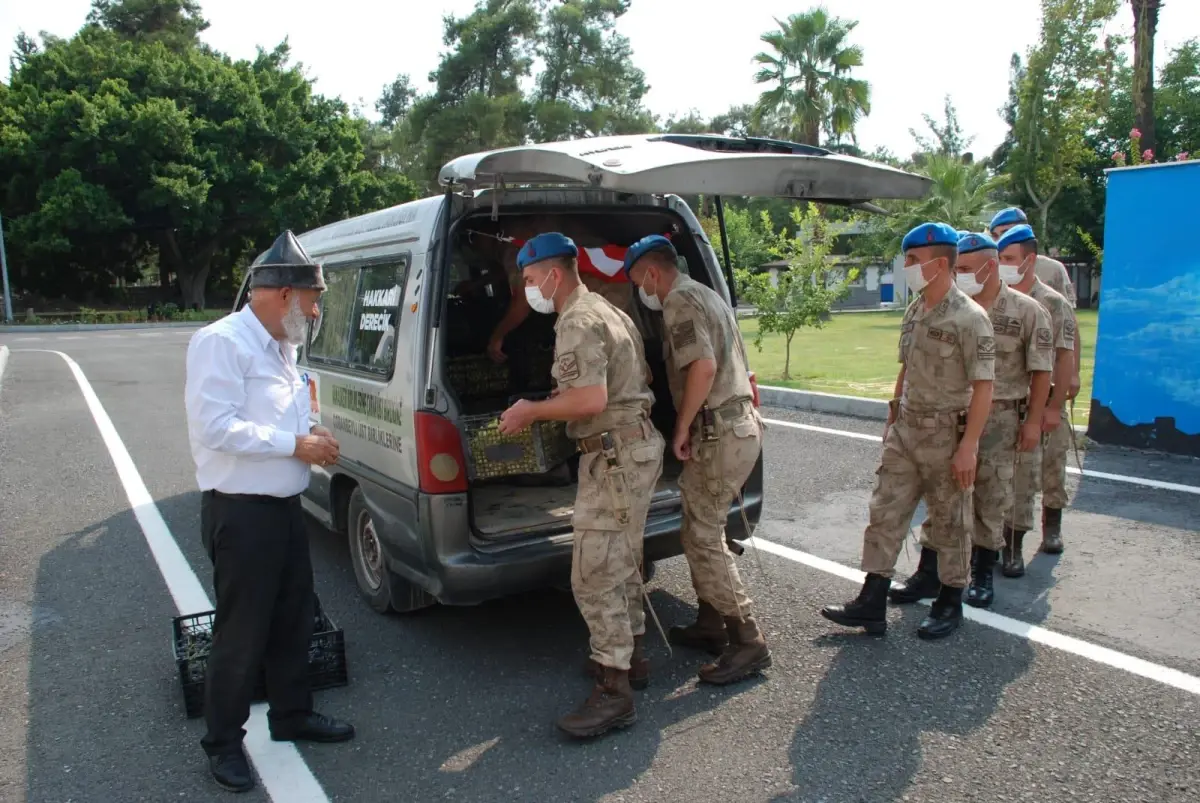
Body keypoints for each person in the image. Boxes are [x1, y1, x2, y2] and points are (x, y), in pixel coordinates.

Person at [184, 231, 355, 793]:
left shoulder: (283, 345)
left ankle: (291, 714)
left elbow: (288, 417)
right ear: (282, 293)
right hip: (241, 514)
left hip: (282, 508)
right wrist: (292, 445)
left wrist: (312, 435)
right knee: (242, 632)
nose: (316, 309)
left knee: (293, 617)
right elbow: (216, 427)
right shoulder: (222, 342)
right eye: (313, 298)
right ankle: (224, 745)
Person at [496, 232, 663, 738]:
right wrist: (562, 398)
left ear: (553, 273)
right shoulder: (611, 309)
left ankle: (614, 693)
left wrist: (533, 410)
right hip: (633, 447)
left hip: (613, 456)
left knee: (594, 573)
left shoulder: (577, 319)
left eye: (528, 280)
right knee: (623, 559)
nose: (528, 290)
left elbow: (590, 400)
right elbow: (625, 381)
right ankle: (630, 658)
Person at [819, 222, 995, 640]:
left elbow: (985, 386)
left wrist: (969, 445)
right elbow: (906, 368)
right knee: (885, 512)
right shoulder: (915, 308)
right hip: (907, 431)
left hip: (946, 434)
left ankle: (950, 601)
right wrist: (892, 417)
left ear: (939, 264)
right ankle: (872, 600)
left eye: (913, 261)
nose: (908, 268)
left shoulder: (970, 318)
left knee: (950, 521)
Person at [623, 234, 771, 683]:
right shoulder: (707, 293)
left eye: (637, 281)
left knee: (703, 535)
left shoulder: (679, 301)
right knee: (702, 527)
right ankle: (711, 622)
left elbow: (703, 367)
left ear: (652, 272)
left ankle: (747, 640)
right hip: (737, 424)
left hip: (719, 429)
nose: (640, 291)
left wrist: (682, 426)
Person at [890, 232, 1052, 609]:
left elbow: (1041, 371)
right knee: (941, 497)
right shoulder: (939, 306)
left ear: (991, 266)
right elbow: (910, 366)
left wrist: (1032, 422)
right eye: (957, 267)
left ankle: (981, 573)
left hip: (999, 418)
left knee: (990, 498)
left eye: (966, 268)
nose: (959, 273)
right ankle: (929, 573)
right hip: (948, 419)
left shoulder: (1027, 311)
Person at [997, 224, 1078, 571]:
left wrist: (1055, 406)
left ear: (1029, 260)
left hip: (1043, 403)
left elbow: (1064, 355)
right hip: (1009, 404)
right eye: (999, 258)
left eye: (1009, 258)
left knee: (1052, 467)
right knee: (1016, 478)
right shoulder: (997, 300)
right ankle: (1011, 548)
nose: (1002, 264)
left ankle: (1052, 528)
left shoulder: (1053, 303)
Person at [990, 207, 1083, 404]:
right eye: (995, 235)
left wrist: (1073, 373)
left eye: (1005, 233)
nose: (1000, 239)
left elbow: (1069, 324)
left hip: (1046, 363)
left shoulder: (1052, 269)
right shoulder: (993, 267)